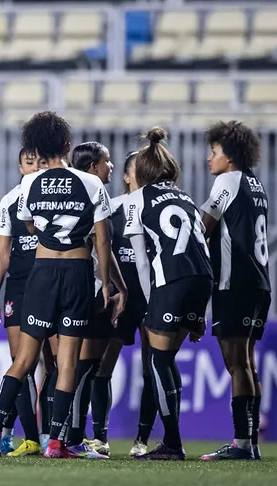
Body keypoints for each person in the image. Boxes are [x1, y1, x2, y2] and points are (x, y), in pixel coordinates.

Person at [0, 112, 113, 460]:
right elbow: (102, 241)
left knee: (24, 359)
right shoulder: (92, 184)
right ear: (67, 145)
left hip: (41, 273)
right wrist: (104, 283)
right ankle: (57, 444)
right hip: (77, 272)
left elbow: (29, 227)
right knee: (67, 361)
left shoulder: (28, 185)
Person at [123, 127, 213, 461]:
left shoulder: (136, 200)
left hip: (171, 280)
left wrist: (150, 306)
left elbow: (143, 262)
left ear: (140, 172)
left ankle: (172, 443)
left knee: (157, 360)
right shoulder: (186, 197)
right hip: (202, 278)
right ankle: (172, 438)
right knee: (168, 360)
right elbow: (202, 244)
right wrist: (201, 309)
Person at [199, 121, 269, 461]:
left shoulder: (227, 181)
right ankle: (250, 441)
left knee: (236, 364)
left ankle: (241, 444)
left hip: (234, 282)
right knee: (248, 363)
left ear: (231, 157)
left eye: (214, 152)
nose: (208, 158)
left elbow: (203, 226)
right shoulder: (257, 185)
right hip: (259, 284)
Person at [63, 142, 128, 457]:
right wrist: (116, 286)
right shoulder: (92, 193)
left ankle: (64, 435)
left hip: (70, 286)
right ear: (92, 167)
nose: (111, 166)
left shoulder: (68, 193)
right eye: (106, 161)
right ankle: (70, 438)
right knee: (83, 367)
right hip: (89, 289)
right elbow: (101, 244)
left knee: (78, 367)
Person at [88, 151, 155, 457]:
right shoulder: (110, 208)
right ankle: (100, 438)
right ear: (126, 176)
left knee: (153, 368)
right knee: (102, 367)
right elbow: (100, 250)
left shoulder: (159, 208)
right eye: (136, 168)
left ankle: (141, 441)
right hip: (119, 297)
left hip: (153, 297)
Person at [0, 148, 50, 457]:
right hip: (19, 287)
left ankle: (55, 436)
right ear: (19, 164)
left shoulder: (54, 196)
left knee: (52, 362)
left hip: (50, 283)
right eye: (29, 161)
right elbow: (1, 252)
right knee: (21, 362)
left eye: (40, 161)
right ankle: (33, 438)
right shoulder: (10, 201)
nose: (35, 166)